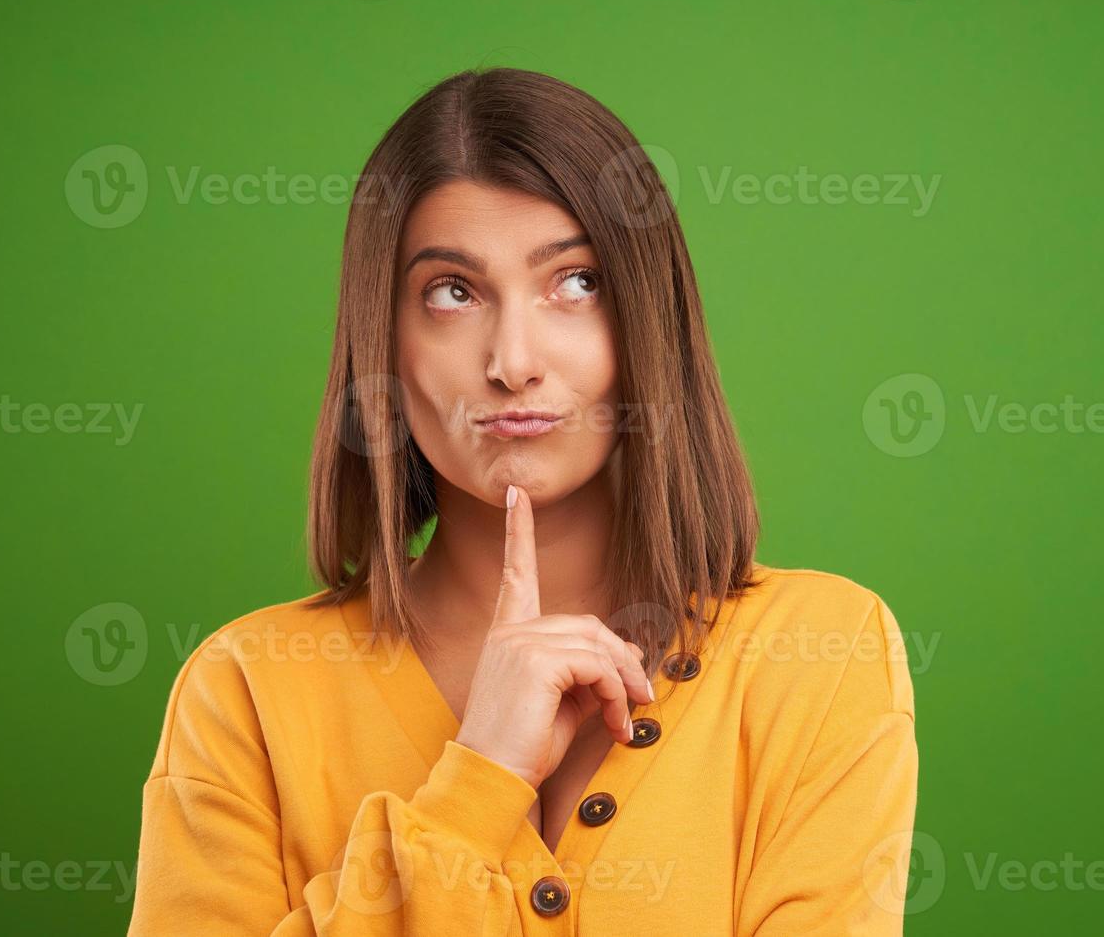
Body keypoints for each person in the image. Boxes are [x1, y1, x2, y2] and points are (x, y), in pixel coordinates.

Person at [127, 66, 918, 934]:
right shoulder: (245, 690)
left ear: (648, 320)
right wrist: (478, 779)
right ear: (381, 341)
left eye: (575, 282)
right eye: (452, 292)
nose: (512, 362)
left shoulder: (820, 654)